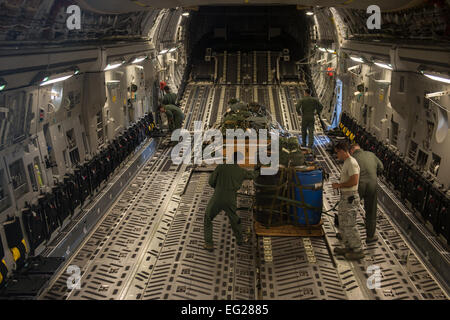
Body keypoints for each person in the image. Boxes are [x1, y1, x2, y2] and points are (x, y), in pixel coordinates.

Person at [203, 152, 257, 251]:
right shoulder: (241, 171)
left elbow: (211, 181)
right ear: (239, 160)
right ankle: (240, 240)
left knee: (208, 218)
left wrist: (218, 187)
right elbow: (252, 175)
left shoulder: (221, 167)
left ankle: (209, 244)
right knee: (234, 219)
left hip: (217, 197)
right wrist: (258, 169)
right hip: (231, 198)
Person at [332, 141, 364, 260]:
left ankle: (358, 249)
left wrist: (339, 185)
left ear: (342, 151)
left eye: (337, 153)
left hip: (350, 198)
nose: (337, 155)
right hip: (346, 197)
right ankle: (349, 246)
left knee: (350, 224)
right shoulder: (346, 162)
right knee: (343, 222)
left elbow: (354, 181)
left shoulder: (351, 162)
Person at [350, 143, 384, 243]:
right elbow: (381, 167)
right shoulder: (371, 154)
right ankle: (370, 236)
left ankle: (347, 234)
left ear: (352, 150)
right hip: (372, 185)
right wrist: (373, 175)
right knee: (371, 210)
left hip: (359, 186)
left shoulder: (352, 158)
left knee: (351, 208)